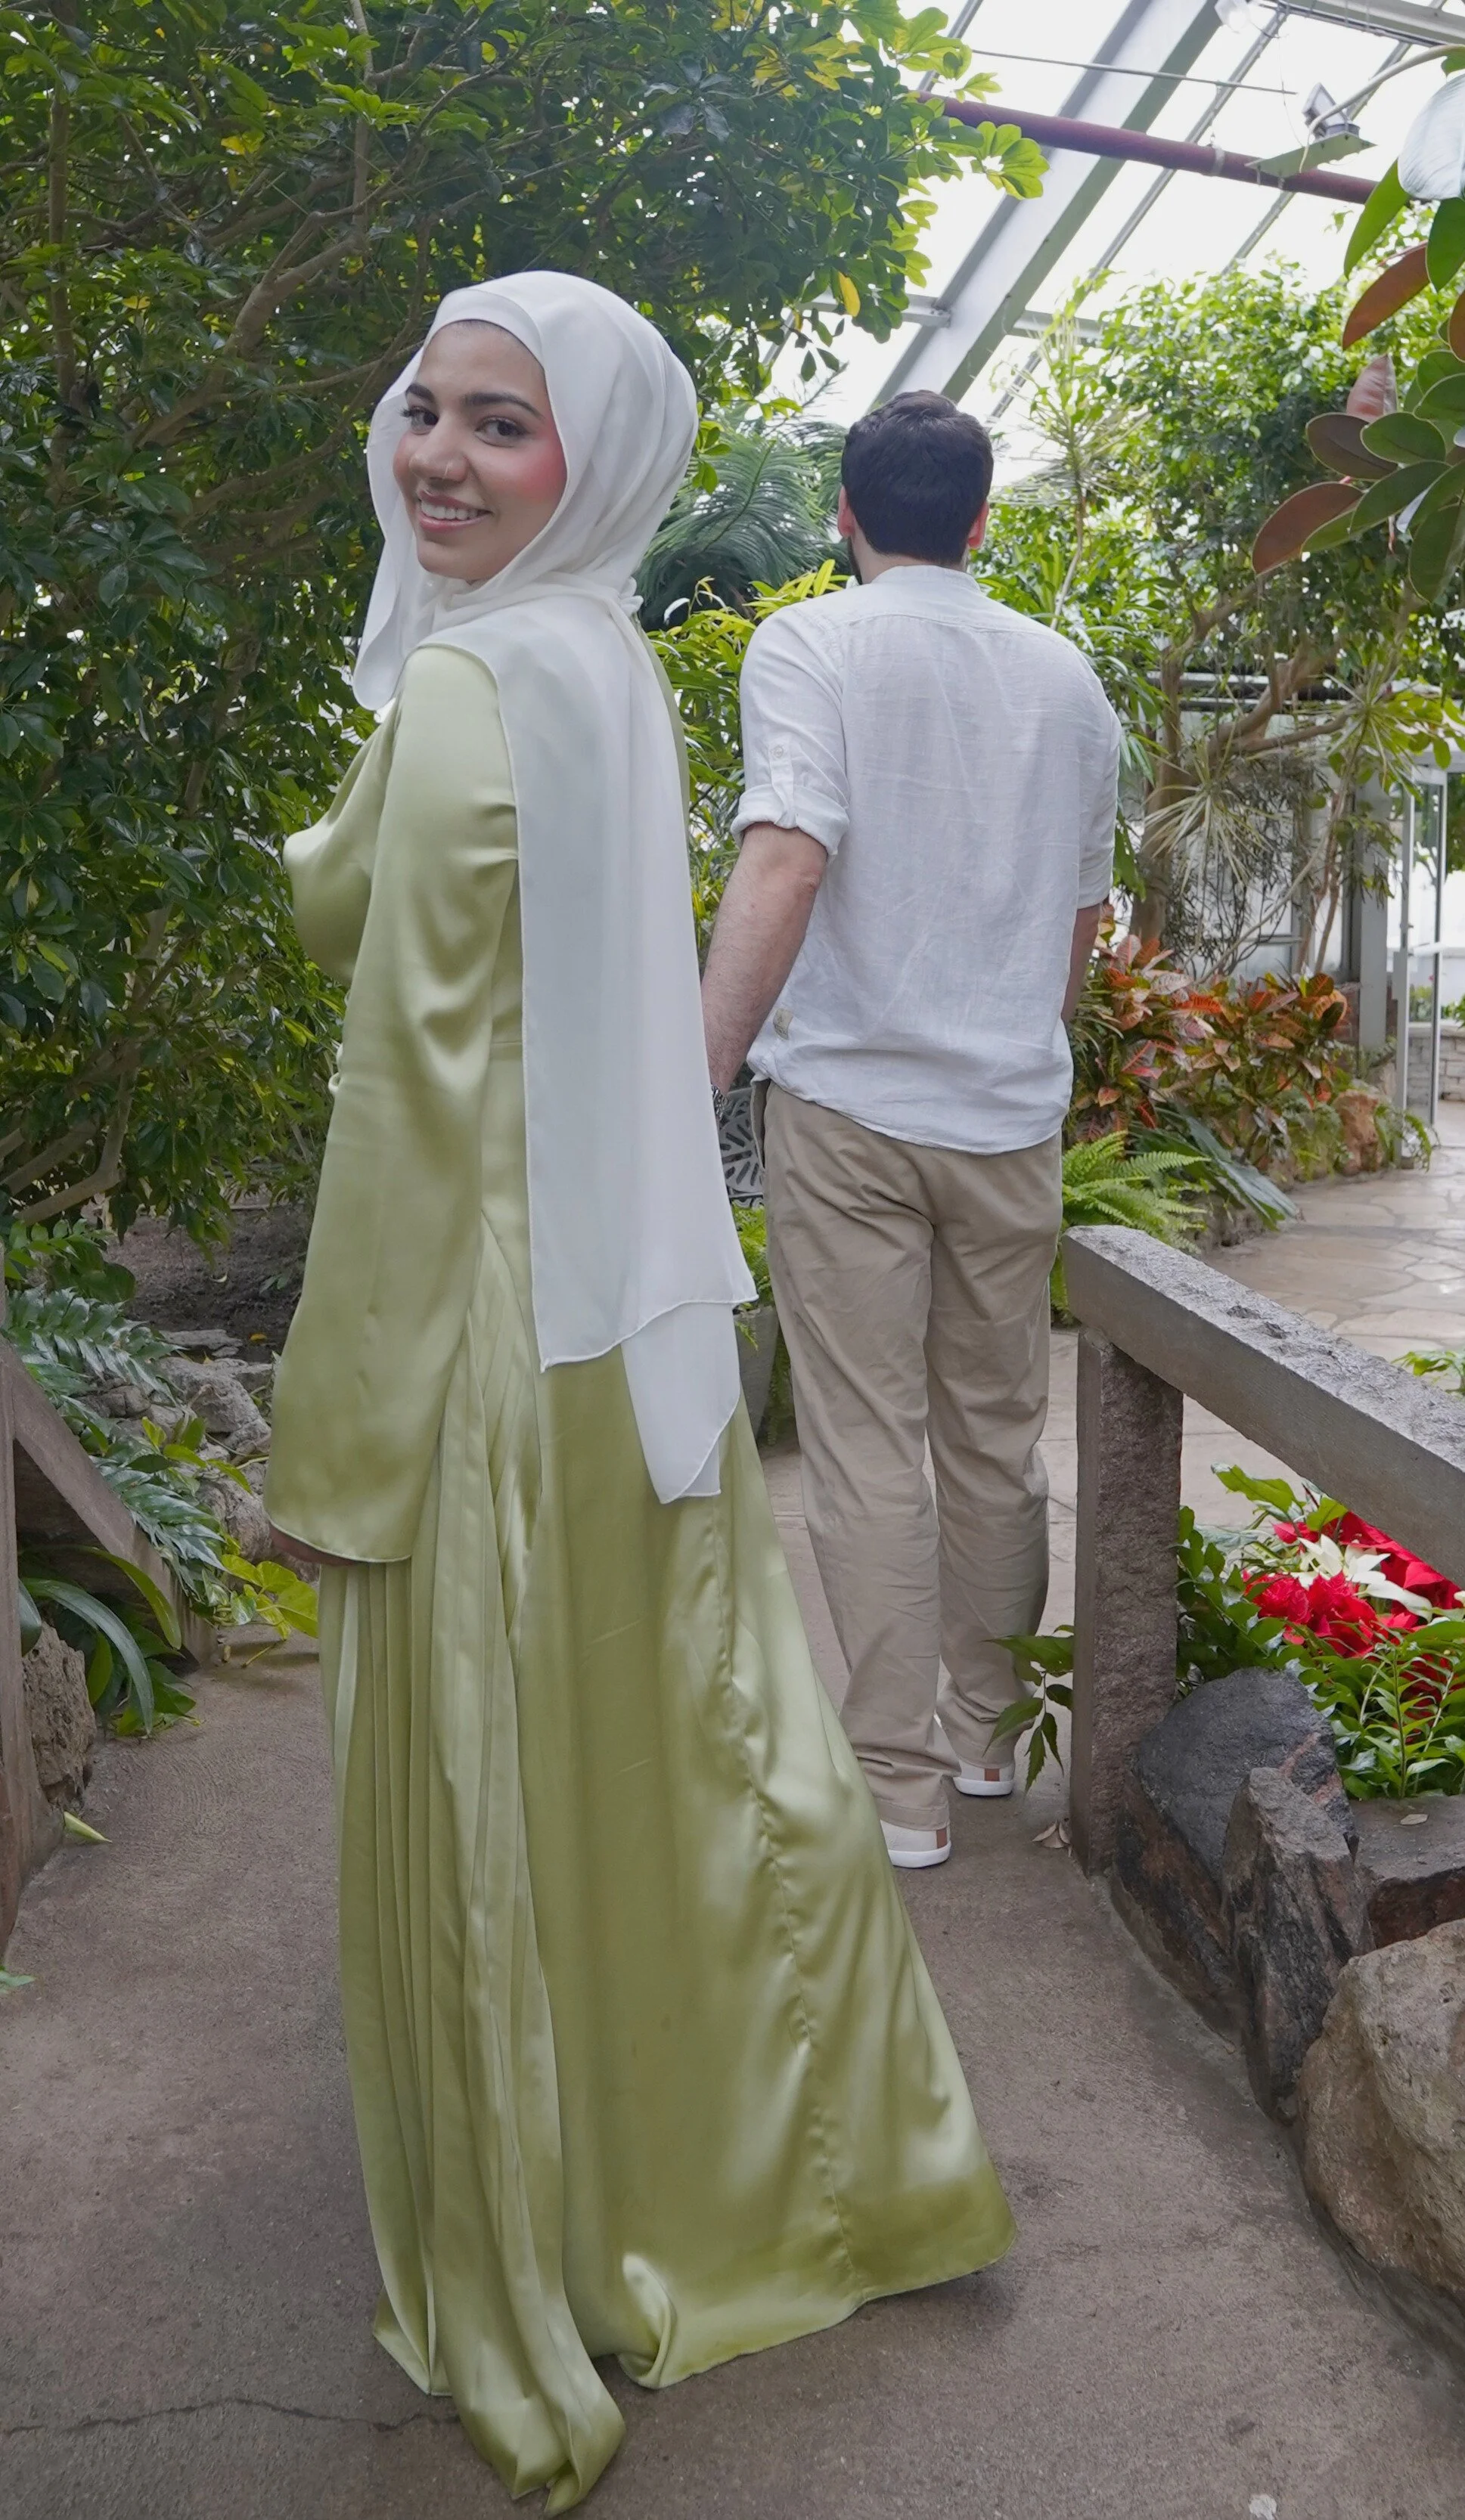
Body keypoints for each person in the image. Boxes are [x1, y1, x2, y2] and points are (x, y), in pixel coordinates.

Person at [263, 279, 1013, 2513]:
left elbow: (413, 1097)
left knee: (513, 1782)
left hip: (491, 1330)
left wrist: (346, 1420)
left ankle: (546, 2222)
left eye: (503, 426)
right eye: (424, 408)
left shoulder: (489, 681)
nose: (439, 459)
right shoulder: (590, 661)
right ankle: (776, 2166)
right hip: (616, 1300)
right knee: (659, 1757)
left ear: (590, 458)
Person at [700, 389, 1121, 1874]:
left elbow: (786, 854)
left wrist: (697, 1066)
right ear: (981, 520)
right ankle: (987, 1733)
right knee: (995, 1432)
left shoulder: (808, 642)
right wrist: (1021, 1036)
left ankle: (897, 1794)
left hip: (850, 1111)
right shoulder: (1064, 678)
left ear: (844, 515)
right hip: (1006, 1116)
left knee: (867, 1443)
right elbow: (1080, 918)